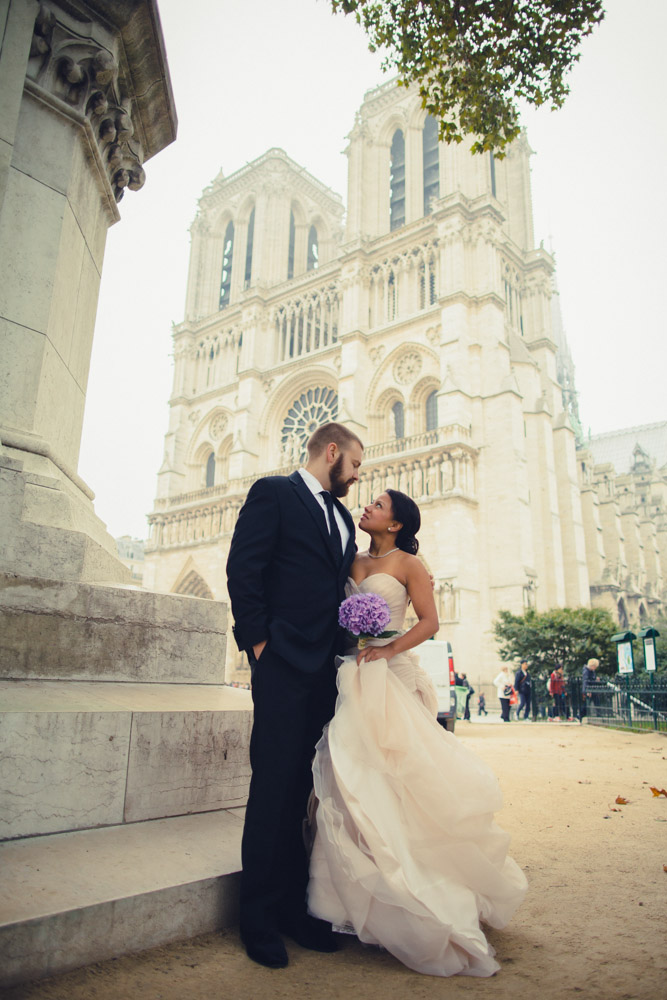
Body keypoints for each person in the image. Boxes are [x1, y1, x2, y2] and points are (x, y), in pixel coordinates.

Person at [307, 490, 527, 977]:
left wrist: (387, 649)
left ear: (398, 523)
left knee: (399, 780)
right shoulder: (352, 557)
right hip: (351, 674)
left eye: (379, 505)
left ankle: (412, 894)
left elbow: (430, 622)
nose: (367, 506)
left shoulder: (410, 564)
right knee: (351, 778)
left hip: (390, 674)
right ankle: (344, 902)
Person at [226, 422, 363, 969]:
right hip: (282, 663)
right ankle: (256, 920)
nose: (356, 474)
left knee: (302, 795)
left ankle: (292, 910)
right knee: (271, 792)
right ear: (331, 451)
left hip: (322, 671)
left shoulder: (343, 516)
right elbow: (244, 568)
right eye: (353, 463)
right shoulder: (274, 493)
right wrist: (259, 644)